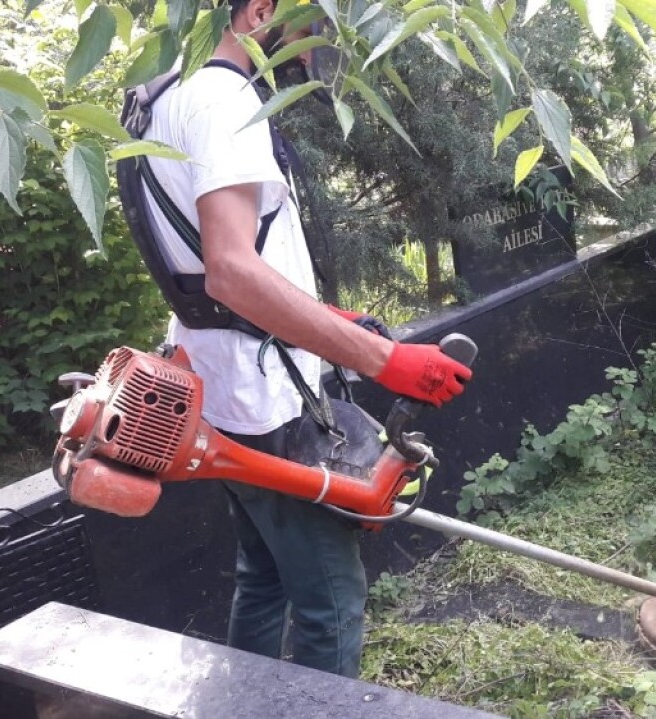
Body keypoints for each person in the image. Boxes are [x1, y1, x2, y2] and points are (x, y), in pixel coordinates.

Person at [136, 0, 472, 677]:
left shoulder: (169, 92)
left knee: (261, 577)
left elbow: (210, 269)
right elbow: (231, 271)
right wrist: (386, 359)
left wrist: (339, 324)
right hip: (273, 408)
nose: (318, 44)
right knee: (331, 601)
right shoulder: (226, 100)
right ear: (263, 9)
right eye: (313, 23)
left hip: (225, 391)